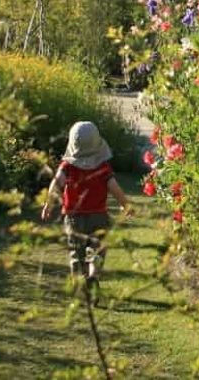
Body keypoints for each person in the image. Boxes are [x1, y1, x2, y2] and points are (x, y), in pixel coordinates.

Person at [41, 121, 132, 288]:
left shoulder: (67, 167)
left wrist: (48, 204)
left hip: (74, 217)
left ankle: (79, 283)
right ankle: (93, 276)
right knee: (96, 250)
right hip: (99, 216)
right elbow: (114, 187)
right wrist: (125, 204)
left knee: (76, 253)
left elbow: (56, 184)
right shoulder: (103, 168)